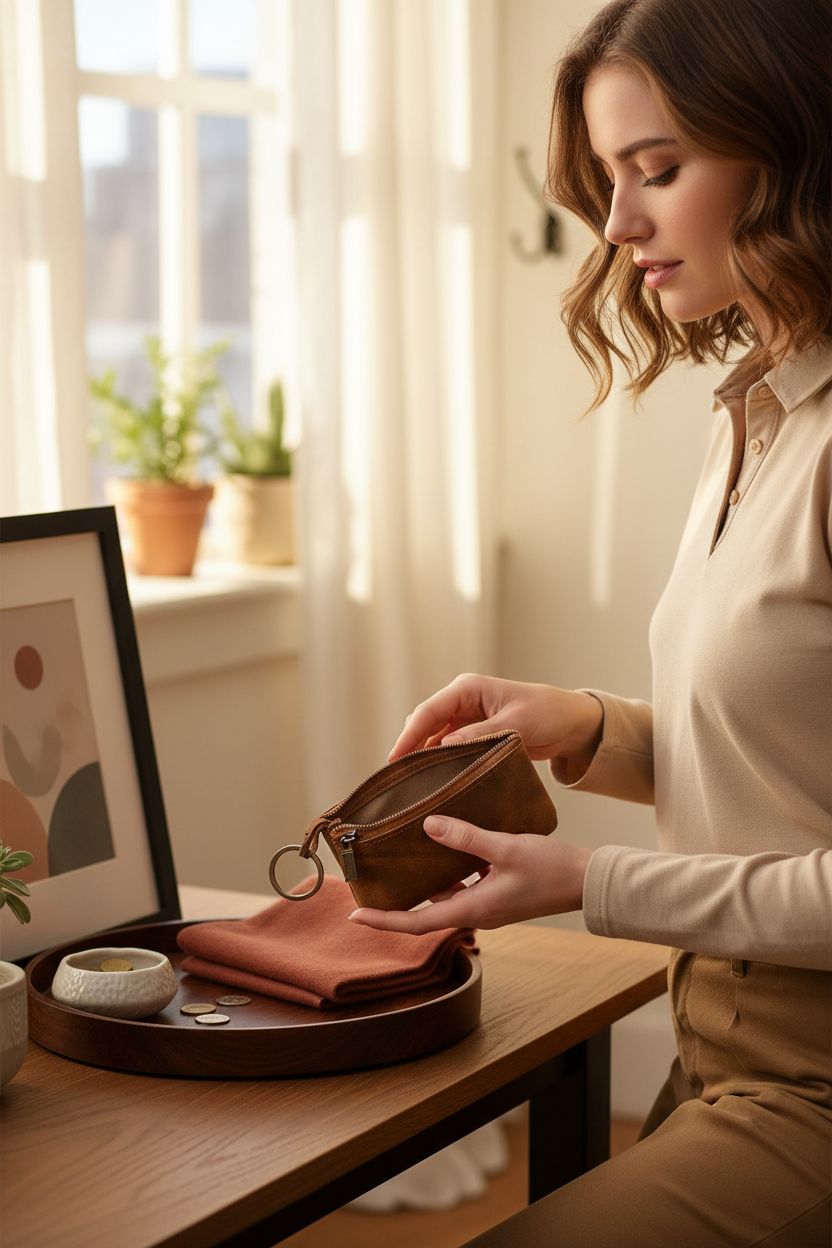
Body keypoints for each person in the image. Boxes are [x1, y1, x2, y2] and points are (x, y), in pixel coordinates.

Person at [349, 0, 832, 1243]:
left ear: (791, 153)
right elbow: (784, 768)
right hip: (720, 1045)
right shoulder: (756, 416)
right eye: (609, 182)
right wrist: (582, 727)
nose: (618, 226)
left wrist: (589, 882)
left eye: (657, 172)